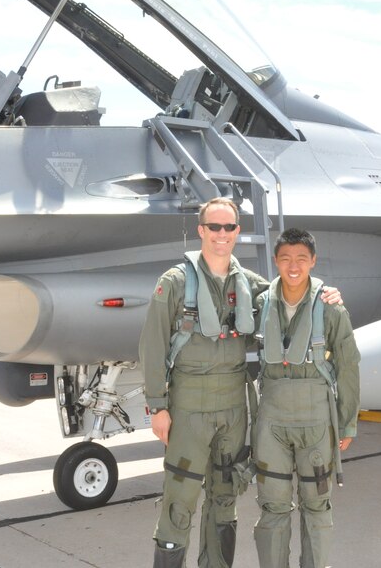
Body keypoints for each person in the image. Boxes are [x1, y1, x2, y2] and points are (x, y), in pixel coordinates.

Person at [140, 199, 340, 568]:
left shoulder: (250, 285)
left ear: (237, 232)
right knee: (179, 500)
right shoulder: (176, 283)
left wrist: (325, 295)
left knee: (225, 499)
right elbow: (151, 346)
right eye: (213, 227)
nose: (221, 234)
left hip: (234, 406)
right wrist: (158, 406)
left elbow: (292, 293)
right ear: (201, 230)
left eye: (228, 227)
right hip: (189, 407)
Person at [252, 228, 360, 568]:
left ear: (313, 261)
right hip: (271, 424)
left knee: (317, 506)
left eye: (301, 258)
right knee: (272, 507)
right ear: (275, 262)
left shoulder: (331, 309)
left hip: (316, 422)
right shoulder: (261, 304)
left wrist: (348, 422)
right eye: (285, 258)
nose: (293, 266)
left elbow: (348, 367)